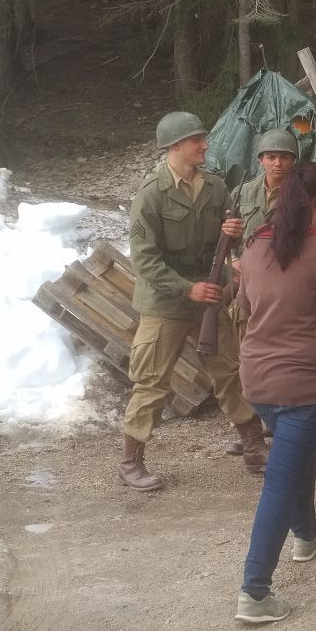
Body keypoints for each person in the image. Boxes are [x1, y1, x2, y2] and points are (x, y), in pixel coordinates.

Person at [234, 162, 316, 624]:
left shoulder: (252, 249)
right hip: (303, 384)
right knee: (280, 483)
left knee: (296, 455)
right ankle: (254, 592)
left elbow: (246, 307)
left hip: (256, 380)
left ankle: (306, 535)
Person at [121, 112, 269, 491]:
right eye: (196, 140)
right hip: (165, 300)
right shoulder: (150, 194)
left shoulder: (216, 189)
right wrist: (187, 289)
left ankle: (253, 442)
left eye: (203, 139)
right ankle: (131, 460)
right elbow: (145, 260)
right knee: (152, 380)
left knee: (229, 370)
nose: (204, 145)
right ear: (174, 147)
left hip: (208, 294)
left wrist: (232, 235)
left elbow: (223, 246)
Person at [225, 128, 299, 459]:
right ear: (260, 160)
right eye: (271, 157)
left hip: (283, 291)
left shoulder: (300, 197)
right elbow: (229, 240)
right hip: (248, 290)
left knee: (282, 361)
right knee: (247, 361)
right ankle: (252, 430)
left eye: (284, 157)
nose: (277, 163)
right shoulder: (243, 194)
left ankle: (285, 429)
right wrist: (233, 259)